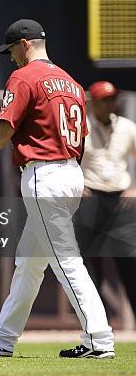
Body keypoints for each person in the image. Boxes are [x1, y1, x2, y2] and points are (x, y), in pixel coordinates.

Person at [0, 19, 115, 358]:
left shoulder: (25, 76)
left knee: (66, 262)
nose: (11, 57)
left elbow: (3, 131)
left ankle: (99, 341)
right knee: (29, 262)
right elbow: (82, 138)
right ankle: (2, 337)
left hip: (45, 174)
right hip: (69, 169)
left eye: (12, 50)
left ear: (25, 44)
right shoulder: (70, 82)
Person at [77, 80, 136, 316]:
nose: (110, 104)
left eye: (112, 99)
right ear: (94, 103)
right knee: (90, 262)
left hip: (121, 198)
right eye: (104, 100)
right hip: (90, 197)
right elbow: (68, 160)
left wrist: (134, 187)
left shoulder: (126, 127)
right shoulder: (82, 127)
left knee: (129, 260)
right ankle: (98, 321)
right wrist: (76, 183)